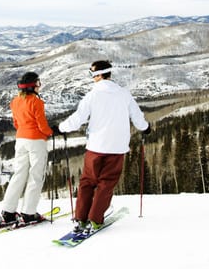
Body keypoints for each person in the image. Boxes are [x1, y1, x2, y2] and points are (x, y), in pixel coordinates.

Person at [55, 60, 151, 234]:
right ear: (110, 73)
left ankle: (80, 218)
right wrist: (145, 128)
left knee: (87, 182)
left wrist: (60, 128)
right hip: (117, 147)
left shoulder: (92, 95)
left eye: (92, 74)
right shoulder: (124, 94)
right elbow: (137, 117)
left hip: (96, 146)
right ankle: (95, 219)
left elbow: (77, 119)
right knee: (106, 184)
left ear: (97, 75)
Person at [0, 71, 54, 227]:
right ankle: (28, 213)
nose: (39, 86)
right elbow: (42, 125)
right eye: (38, 83)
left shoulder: (15, 101)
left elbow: (16, 123)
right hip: (36, 141)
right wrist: (51, 131)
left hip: (20, 140)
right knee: (35, 175)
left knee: (19, 174)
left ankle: (8, 213)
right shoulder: (36, 102)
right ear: (32, 86)